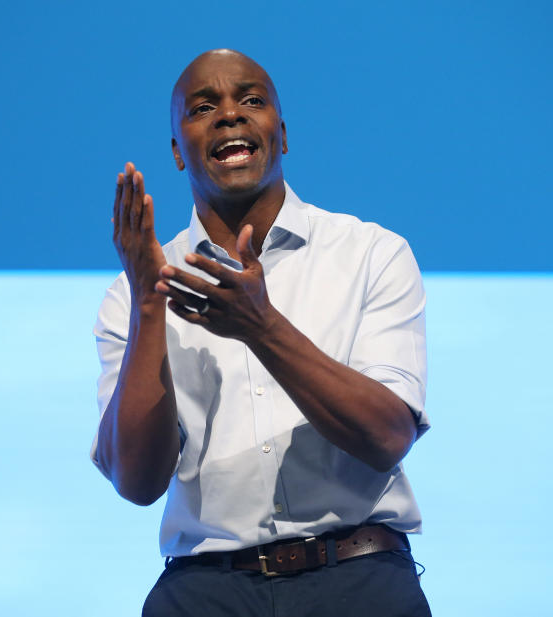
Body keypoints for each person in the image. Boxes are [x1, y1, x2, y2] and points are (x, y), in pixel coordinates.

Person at [91, 49, 432, 616]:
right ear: (178, 151)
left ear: (282, 134)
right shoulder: (132, 291)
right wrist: (149, 307)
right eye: (203, 107)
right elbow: (136, 482)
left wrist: (261, 326)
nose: (230, 115)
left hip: (359, 580)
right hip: (204, 592)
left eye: (252, 101)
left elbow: (387, 436)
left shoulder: (372, 254)